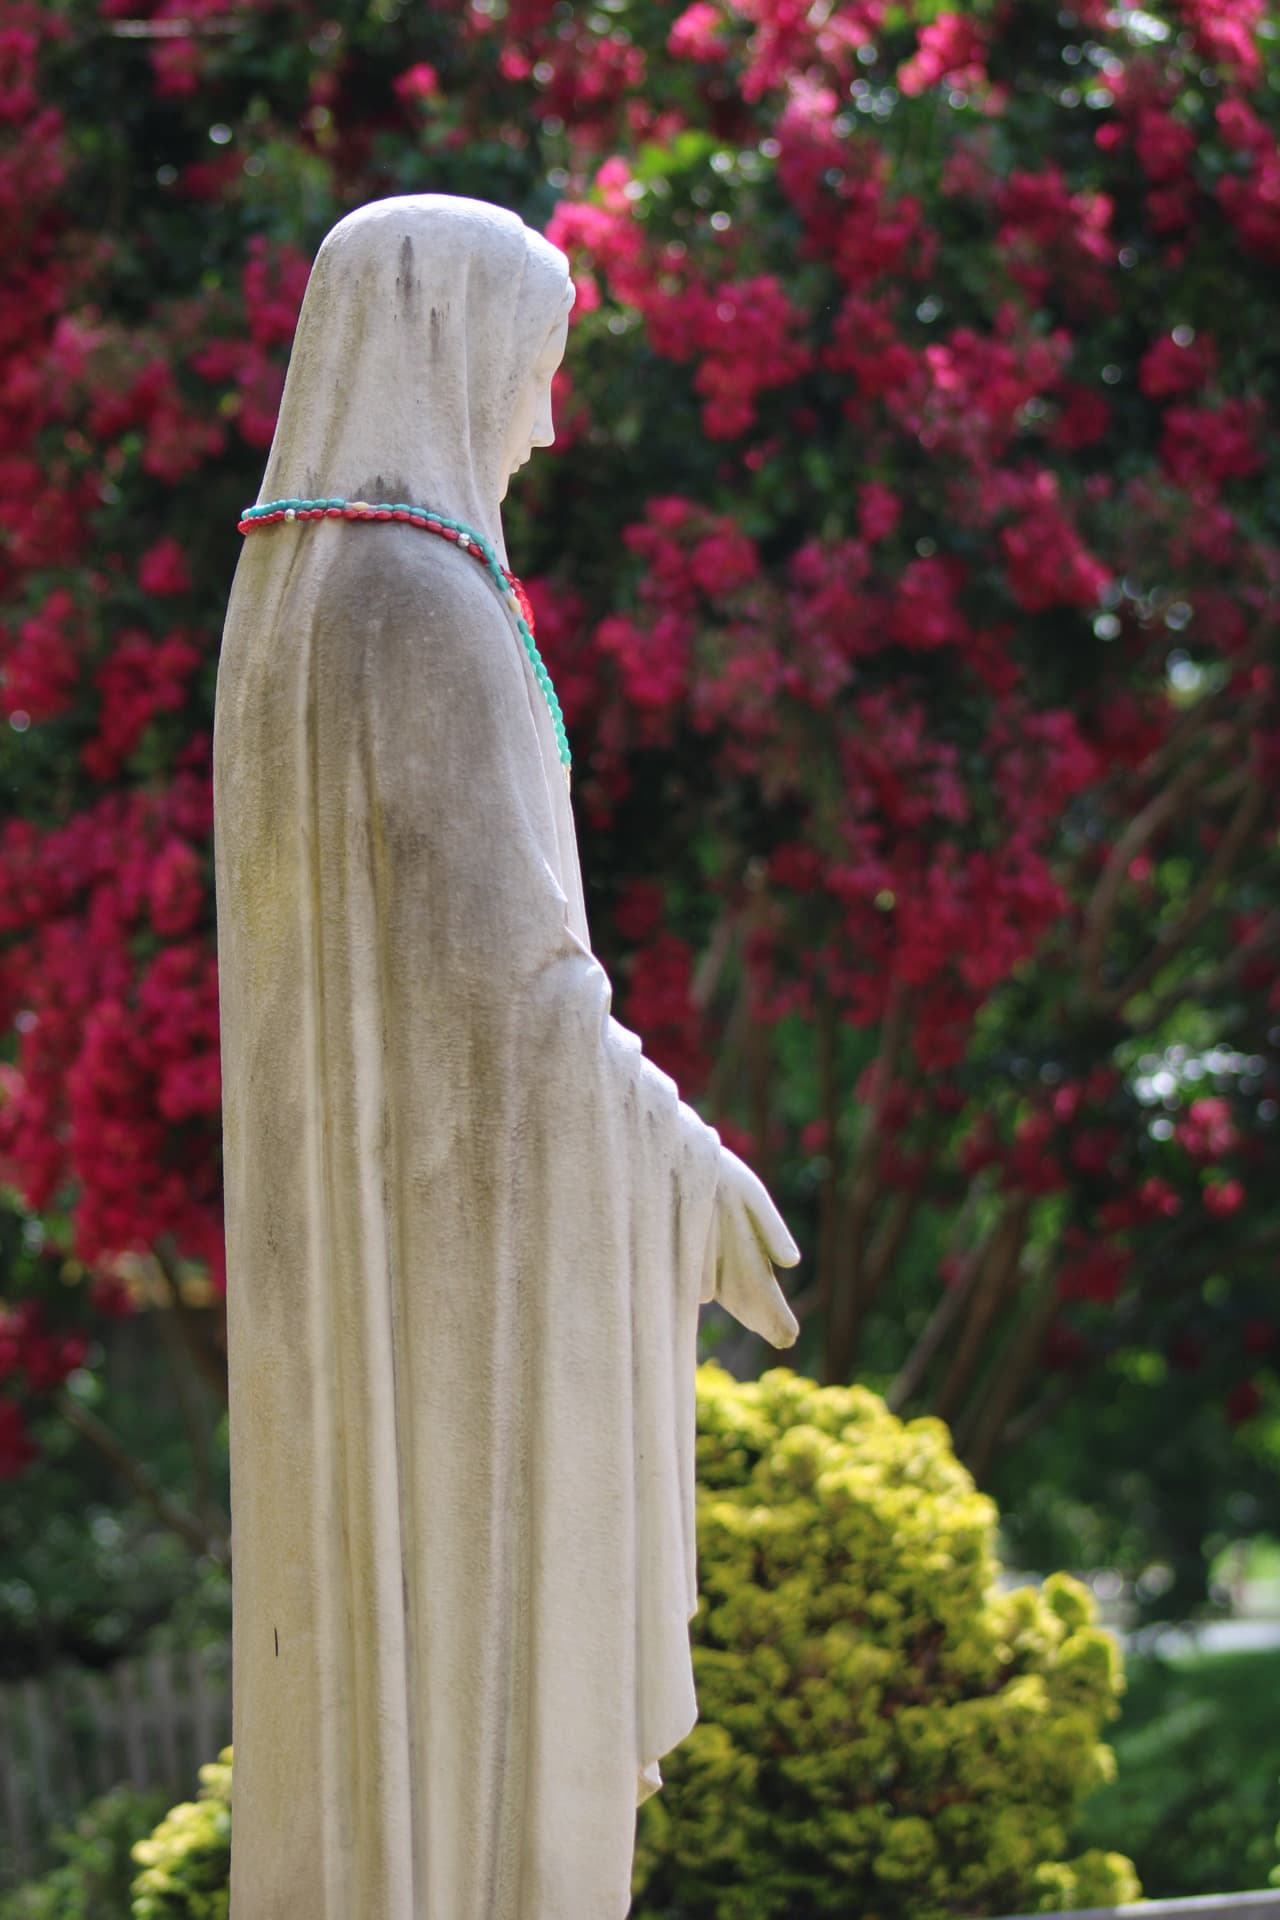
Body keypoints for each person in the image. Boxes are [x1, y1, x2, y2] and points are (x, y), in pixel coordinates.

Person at [213, 193, 799, 1920]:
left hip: (374, 1276)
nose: (546, 418)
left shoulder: (293, 610)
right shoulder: (419, 605)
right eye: (539, 369)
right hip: (455, 1290)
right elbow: (518, 984)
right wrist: (682, 1158)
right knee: (473, 1690)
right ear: (458, 358)